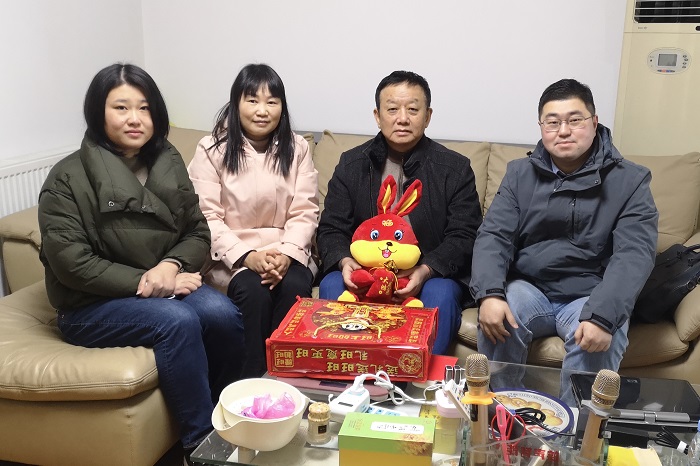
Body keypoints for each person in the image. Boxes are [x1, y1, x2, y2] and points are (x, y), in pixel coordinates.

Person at [37, 63, 245, 463]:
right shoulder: (66, 179)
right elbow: (72, 265)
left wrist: (171, 266)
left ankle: (227, 417)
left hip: (162, 283)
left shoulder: (168, 161)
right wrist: (154, 282)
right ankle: (201, 446)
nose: (135, 118)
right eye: (121, 108)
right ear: (98, 113)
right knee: (177, 321)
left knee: (222, 313)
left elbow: (198, 232)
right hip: (91, 304)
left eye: (145, 108)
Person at [470, 79, 658, 392]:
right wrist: (489, 294)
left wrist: (602, 315)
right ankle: (501, 412)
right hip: (530, 288)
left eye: (575, 120)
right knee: (499, 314)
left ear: (594, 122)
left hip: (590, 293)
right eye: (553, 122)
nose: (564, 131)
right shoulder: (519, 173)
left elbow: (634, 254)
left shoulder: (631, 180)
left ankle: (576, 423)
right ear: (541, 127)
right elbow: (494, 236)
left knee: (602, 337)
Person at [316, 70, 482, 355]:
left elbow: (464, 234)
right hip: (365, 272)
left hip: (429, 274)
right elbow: (331, 227)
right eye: (392, 109)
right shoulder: (352, 164)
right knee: (332, 284)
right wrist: (344, 261)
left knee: (441, 293)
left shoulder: (454, 168)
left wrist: (426, 270)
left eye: (413, 110)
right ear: (377, 116)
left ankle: (422, 376)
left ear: (427, 116)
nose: (402, 118)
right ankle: (346, 373)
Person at [188, 64, 319, 378]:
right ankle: (249, 383)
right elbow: (205, 216)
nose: (262, 111)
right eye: (252, 100)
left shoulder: (297, 148)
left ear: (282, 107)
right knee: (253, 290)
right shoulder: (211, 149)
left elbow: (305, 209)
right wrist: (248, 256)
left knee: (295, 285)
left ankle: (289, 381)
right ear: (236, 103)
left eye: (272, 102)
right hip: (232, 257)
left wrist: (286, 255)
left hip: (286, 252)